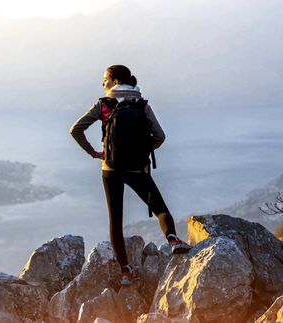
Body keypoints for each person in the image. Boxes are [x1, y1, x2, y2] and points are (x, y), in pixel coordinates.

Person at [69, 64, 192, 285]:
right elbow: (160, 136)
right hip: (138, 167)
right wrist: (143, 150)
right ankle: (173, 240)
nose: (102, 83)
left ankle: (126, 272)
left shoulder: (104, 105)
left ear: (115, 81)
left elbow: (75, 130)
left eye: (105, 79)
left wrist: (94, 153)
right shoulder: (141, 104)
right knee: (159, 206)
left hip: (111, 169)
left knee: (115, 220)